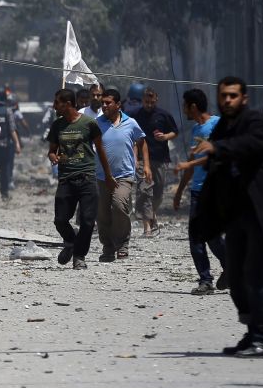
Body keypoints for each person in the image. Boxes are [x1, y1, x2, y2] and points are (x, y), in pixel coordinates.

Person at [190, 76, 263, 358]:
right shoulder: (221, 129)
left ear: (244, 98)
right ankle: (253, 333)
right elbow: (215, 165)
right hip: (238, 213)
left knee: (257, 275)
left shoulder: (255, 123)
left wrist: (217, 149)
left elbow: (251, 145)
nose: (227, 100)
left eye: (233, 96)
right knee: (237, 277)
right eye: (223, 95)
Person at [47, 89, 117, 269]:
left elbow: (100, 150)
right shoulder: (57, 126)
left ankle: (79, 256)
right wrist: (53, 157)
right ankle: (70, 241)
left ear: (68, 104)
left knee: (87, 221)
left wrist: (108, 176)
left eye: (57, 103)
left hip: (86, 177)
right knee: (60, 220)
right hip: (66, 179)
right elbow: (51, 150)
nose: (54, 106)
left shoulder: (89, 124)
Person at [172, 88, 227, 295]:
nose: (184, 110)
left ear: (193, 106)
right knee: (199, 237)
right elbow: (193, 164)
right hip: (197, 191)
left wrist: (188, 165)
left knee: (208, 236)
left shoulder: (218, 125)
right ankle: (208, 279)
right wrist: (179, 192)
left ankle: (221, 272)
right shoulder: (196, 130)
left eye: (185, 106)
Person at [95, 89, 151, 261]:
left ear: (118, 105)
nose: (104, 105)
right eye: (102, 102)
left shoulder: (131, 123)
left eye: (108, 102)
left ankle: (123, 244)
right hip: (102, 176)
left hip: (124, 175)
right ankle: (108, 247)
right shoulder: (97, 123)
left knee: (119, 206)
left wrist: (146, 165)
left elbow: (142, 142)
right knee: (102, 213)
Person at [132, 87, 179, 236]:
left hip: (160, 158)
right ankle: (147, 227)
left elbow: (175, 132)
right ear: (142, 100)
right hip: (141, 159)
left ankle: (152, 214)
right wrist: (134, 159)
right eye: (146, 102)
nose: (149, 105)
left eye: (151, 102)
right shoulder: (136, 116)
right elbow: (132, 138)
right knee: (144, 191)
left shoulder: (164, 115)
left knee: (158, 194)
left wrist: (165, 137)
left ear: (156, 100)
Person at [0, 88, 22, 204]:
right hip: (4, 145)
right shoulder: (7, 110)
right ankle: (4, 193)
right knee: (4, 170)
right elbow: (12, 129)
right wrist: (17, 144)